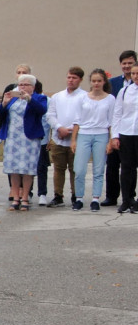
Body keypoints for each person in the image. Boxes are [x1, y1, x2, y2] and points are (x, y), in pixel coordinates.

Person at [0, 74, 47, 211]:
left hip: (29, 139)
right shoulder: (13, 99)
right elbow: (0, 113)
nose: (23, 87)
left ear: (33, 87)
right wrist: (4, 103)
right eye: (21, 84)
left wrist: (29, 99)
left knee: (27, 169)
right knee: (13, 169)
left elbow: (42, 110)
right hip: (13, 137)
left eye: (26, 85)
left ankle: (25, 198)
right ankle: (16, 198)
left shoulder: (39, 98)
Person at [70, 69, 114, 211]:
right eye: (94, 81)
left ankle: (95, 198)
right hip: (84, 134)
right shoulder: (83, 98)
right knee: (79, 168)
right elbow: (77, 120)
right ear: (90, 82)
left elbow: (112, 121)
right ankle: (79, 198)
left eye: (99, 81)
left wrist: (110, 140)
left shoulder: (110, 99)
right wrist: (73, 140)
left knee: (98, 169)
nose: (96, 83)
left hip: (101, 134)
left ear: (104, 82)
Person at [46, 67, 86, 207]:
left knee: (75, 168)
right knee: (59, 168)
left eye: (74, 78)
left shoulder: (84, 97)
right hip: (59, 138)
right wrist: (59, 128)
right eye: (69, 77)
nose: (71, 80)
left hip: (76, 139)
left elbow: (83, 117)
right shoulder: (57, 96)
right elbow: (50, 115)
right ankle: (58, 195)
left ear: (80, 80)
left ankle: (76, 195)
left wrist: (70, 130)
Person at [102, 50, 136, 206]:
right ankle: (113, 196)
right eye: (124, 63)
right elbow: (112, 109)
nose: (127, 66)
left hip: (132, 131)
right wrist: (113, 134)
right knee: (114, 164)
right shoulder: (115, 84)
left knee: (130, 166)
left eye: (130, 63)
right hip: (120, 130)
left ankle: (131, 196)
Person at [111, 64, 138, 213]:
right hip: (126, 133)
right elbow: (117, 114)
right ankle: (127, 199)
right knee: (127, 168)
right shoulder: (125, 90)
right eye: (133, 73)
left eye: (137, 73)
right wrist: (115, 135)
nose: (135, 76)